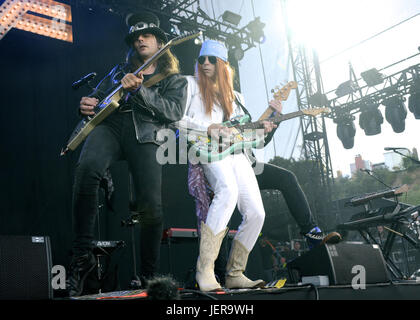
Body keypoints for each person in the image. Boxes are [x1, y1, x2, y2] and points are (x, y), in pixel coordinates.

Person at [66, 12, 188, 297]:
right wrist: (85, 105)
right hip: (110, 127)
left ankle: (149, 275)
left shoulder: (175, 79)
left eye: (146, 35)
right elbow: (96, 101)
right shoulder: (117, 71)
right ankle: (81, 259)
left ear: (160, 41)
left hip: (146, 134)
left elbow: (172, 111)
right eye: (136, 37)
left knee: (151, 206)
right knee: (87, 170)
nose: (140, 39)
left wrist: (141, 90)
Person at [178, 40, 282, 292]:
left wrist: (266, 126)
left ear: (223, 65)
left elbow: (247, 137)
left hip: (235, 154)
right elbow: (174, 119)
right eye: (202, 59)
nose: (205, 63)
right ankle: (205, 270)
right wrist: (207, 128)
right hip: (205, 148)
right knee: (227, 192)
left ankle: (235, 273)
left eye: (212, 60)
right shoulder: (189, 85)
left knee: (257, 212)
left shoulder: (236, 98)